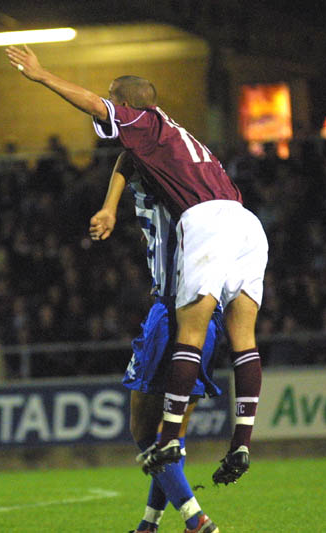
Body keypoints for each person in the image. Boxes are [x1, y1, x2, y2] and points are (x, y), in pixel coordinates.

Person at [6, 46, 268, 491]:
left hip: (204, 220)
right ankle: (242, 441)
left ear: (128, 103)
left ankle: (168, 439)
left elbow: (93, 103)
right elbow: (128, 158)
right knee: (244, 340)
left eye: (115, 100)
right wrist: (110, 206)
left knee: (189, 331)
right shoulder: (177, 137)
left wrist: (42, 75)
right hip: (246, 223)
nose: (109, 111)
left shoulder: (143, 120)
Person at [90, 152, 225, 533]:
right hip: (209, 317)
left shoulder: (161, 182)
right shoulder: (212, 196)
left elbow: (128, 156)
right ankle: (148, 526)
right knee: (173, 436)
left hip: (170, 313)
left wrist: (109, 207)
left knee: (143, 430)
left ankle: (196, 519)